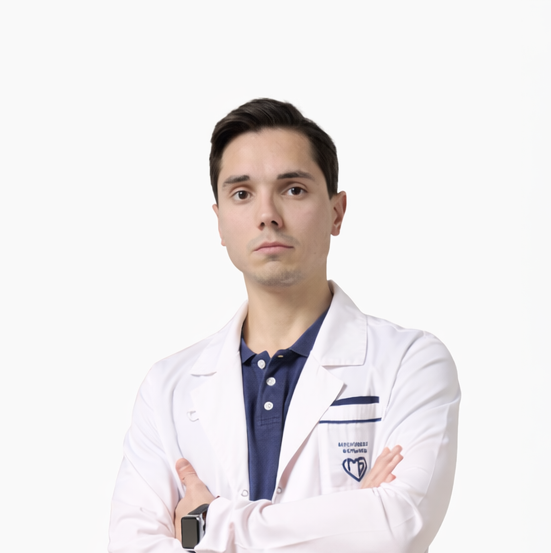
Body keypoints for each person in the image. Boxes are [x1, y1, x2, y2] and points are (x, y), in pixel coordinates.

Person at [108, 99, 460, 553]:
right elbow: (130, 546)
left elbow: (397, 526)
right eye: (242, 194)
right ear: (219, 223)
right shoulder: (167, 388)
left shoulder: (410, 362)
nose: (267, 214)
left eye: (293, 189)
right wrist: (350, 518)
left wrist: (210, 523)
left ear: (337, 212)